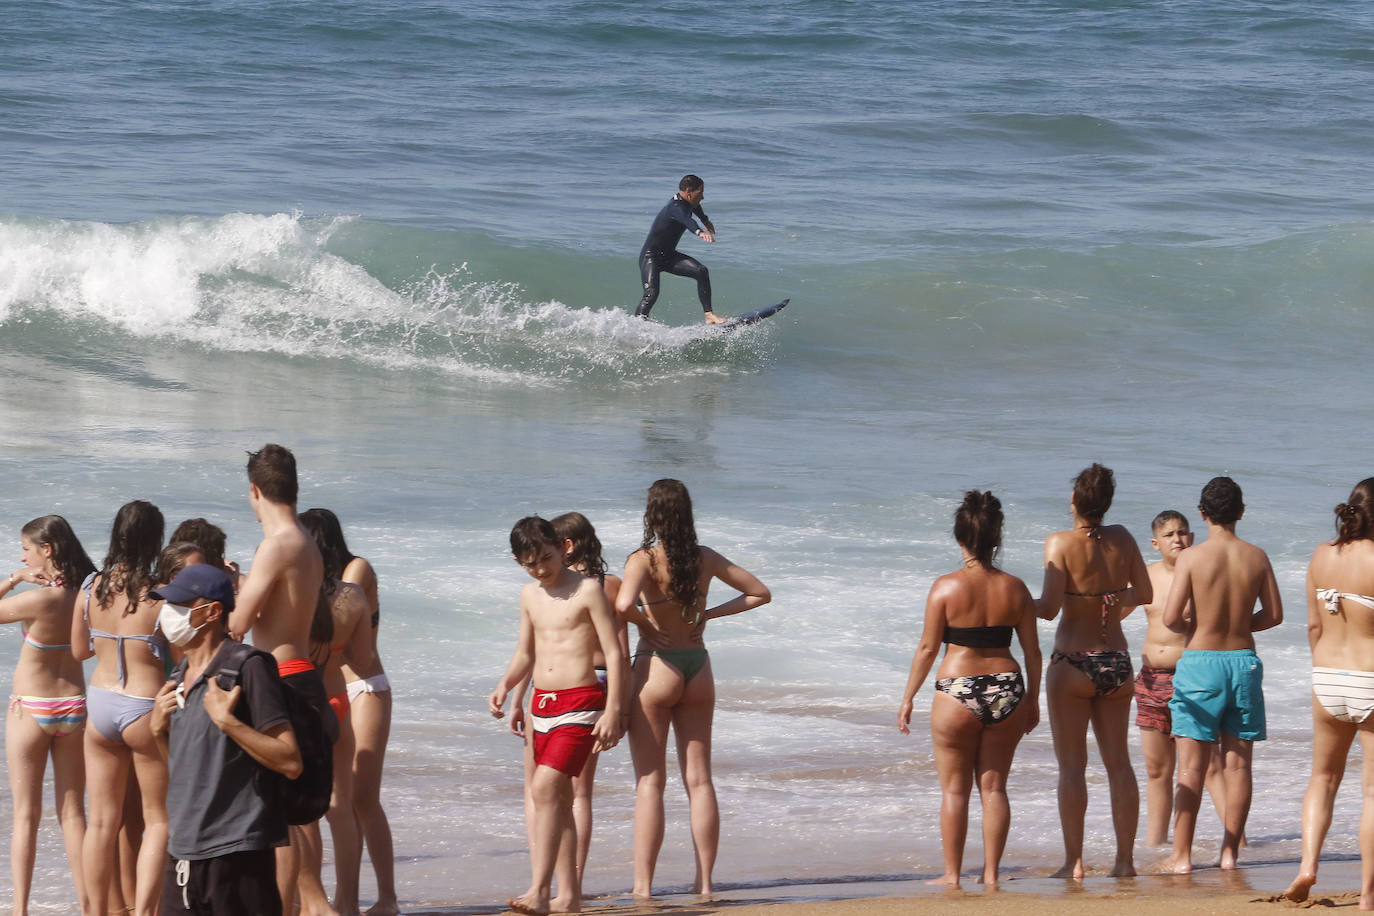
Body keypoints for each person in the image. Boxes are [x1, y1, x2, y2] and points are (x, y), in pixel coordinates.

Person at [614, 479, 771, 899]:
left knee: (650, 782)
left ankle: (643, 888)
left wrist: (649, 627)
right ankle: (704, 885)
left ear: (652, 515)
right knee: (699, 781)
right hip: (698, 667)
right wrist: (708, 616)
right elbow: (759, 593)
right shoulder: (705, 558)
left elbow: (623, 606)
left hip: (656, 667)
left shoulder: (642, 560)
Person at [897, 490, 1041, 888]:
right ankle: (992, 875)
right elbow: (1032, 651)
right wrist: (1033, 699)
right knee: (994, 788)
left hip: (956, 690)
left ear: (959, 538)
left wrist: (908, 697)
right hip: (1007, 687)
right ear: (997, 538)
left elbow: (928, 648)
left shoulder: (944, 588)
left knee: (955, 791)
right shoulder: (1016, 588)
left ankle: (953, 875)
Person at [489, 517, 625, 916]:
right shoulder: (530, 595)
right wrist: (505, 685)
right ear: (520, 564)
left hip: (583, 701)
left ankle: (540, 889)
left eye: (546, 559)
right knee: (560, 800)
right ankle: (571, 896)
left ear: (562, 548)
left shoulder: (587, 591)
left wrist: (614, 709)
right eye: (531, 564)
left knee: (546, 787)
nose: (542, 569)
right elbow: (526, 653)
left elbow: (614, 654)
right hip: (541, 704)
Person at [149, 563, 302, 915]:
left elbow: (290, 761)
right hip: (184, 851)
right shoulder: (180, 674)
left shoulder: (249, 667)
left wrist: (227, 721)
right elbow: (186, 765)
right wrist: (160, 731)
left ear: (212, 611)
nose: (169, 614)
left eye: (180, 605)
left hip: (238, 853)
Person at [227, 444, 336, 916]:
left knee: (281, 817)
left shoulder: (276, 545)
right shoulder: (304, 542)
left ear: (255, 491)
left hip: (281, 680)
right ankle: (311, 907)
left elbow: (238, 623)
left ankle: (301, 909)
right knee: (297, 816)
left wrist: (230, 592)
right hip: (303, 673)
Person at [1036, 463, 1151, 879]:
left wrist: (1012, 602)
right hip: (1117, 661)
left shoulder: (1060, 543)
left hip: (1072, 661)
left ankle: (1075, 862)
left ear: (1074, 501)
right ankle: (1125, 862)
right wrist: (1112, 607)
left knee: (1072, 767)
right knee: (1119, 764)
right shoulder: (1124, 538)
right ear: (1107, 503)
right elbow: (1146, 591)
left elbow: (1048, 609)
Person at [1163, 476, 1282, 873]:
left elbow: (1170, 618)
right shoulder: (1257, 556)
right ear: (1241, 513)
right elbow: (1275, 614)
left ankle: (1182, 857)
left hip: (1201, 663)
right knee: (1238, 765)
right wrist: (1241, 624)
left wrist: (1199, 623)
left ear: (1202, 514)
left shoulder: (1192, 558)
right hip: (1243, 661)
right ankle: (1229, 852)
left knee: (1192, 767)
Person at [301, 508, 399, 916]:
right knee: (338, 798)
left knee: (362, 796)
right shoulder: (315, 580)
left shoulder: (355, 570)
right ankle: (336, 899)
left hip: (365, 683)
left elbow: (335, 614)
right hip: (335, 683)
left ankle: (385, 898)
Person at [72, 500, 169, 916]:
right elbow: (181, 660)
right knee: (158, 820)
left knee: (101, 822)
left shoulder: (90, 587)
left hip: (100, 704)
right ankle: (146, 911)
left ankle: (96, 912)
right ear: (155, 540)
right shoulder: (160, 595)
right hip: (145, 707)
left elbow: (79, 651)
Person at [1284, 479, 1374, 905]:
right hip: (1370, 680)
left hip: (1327, 678)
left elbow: (1315, 626)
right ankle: (1369, 895)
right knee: (1372, 791)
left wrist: (1323, 672)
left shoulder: (1322, 556)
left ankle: (1307, 868)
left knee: (1322, 779)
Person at [1, 515, 96, 915]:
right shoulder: (87, 593)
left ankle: (19, 910)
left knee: (26, 816)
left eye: (27, 549)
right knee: (74, 815)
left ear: (47, 550)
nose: (23, 556)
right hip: (74, 707)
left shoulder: (40, 598)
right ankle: (90, 905)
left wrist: (13, 580)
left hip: (32, 708)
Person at [1132, 510, 1231, 847]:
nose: (1178, 539)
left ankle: (1237, 841)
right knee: (1157, 771)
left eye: (1184, 533)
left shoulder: (1201, 574)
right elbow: (1110, 616)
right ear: (1155, 543)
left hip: (1191, 676)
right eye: (1170, 534)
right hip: (1149, 680)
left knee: (1210, 766)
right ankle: (1154, 847)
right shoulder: (1145, 577)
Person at [633, 175, 725, 324]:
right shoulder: (675, 208)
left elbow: (695, 207)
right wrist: (700, 232)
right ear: (689, 192)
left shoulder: (687, 201)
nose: (702, 197)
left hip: (668, 256)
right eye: (700, 193)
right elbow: (687, 219)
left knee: (701, 271)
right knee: (651, 294)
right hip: (651, 257)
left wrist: (705, 219)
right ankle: (636, 327)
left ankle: (709, 315)